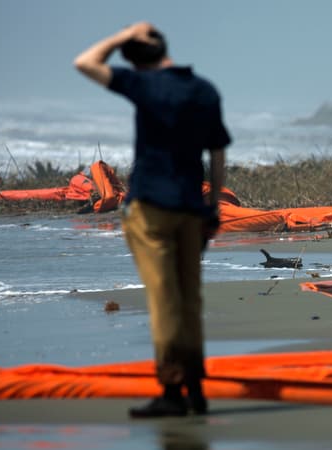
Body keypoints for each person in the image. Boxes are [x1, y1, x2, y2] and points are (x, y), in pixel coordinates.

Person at [74, 22, 232, 417]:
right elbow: (217, 154)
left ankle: (173, 391)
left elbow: (85, 62)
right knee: (189, 300)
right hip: (193, 210)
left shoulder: (143, 84)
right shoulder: (204, 89)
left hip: (151, 210)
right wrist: (212, 209)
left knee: (164, 301)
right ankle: (195, 388)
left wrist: (121, 35)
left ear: (136, 59)